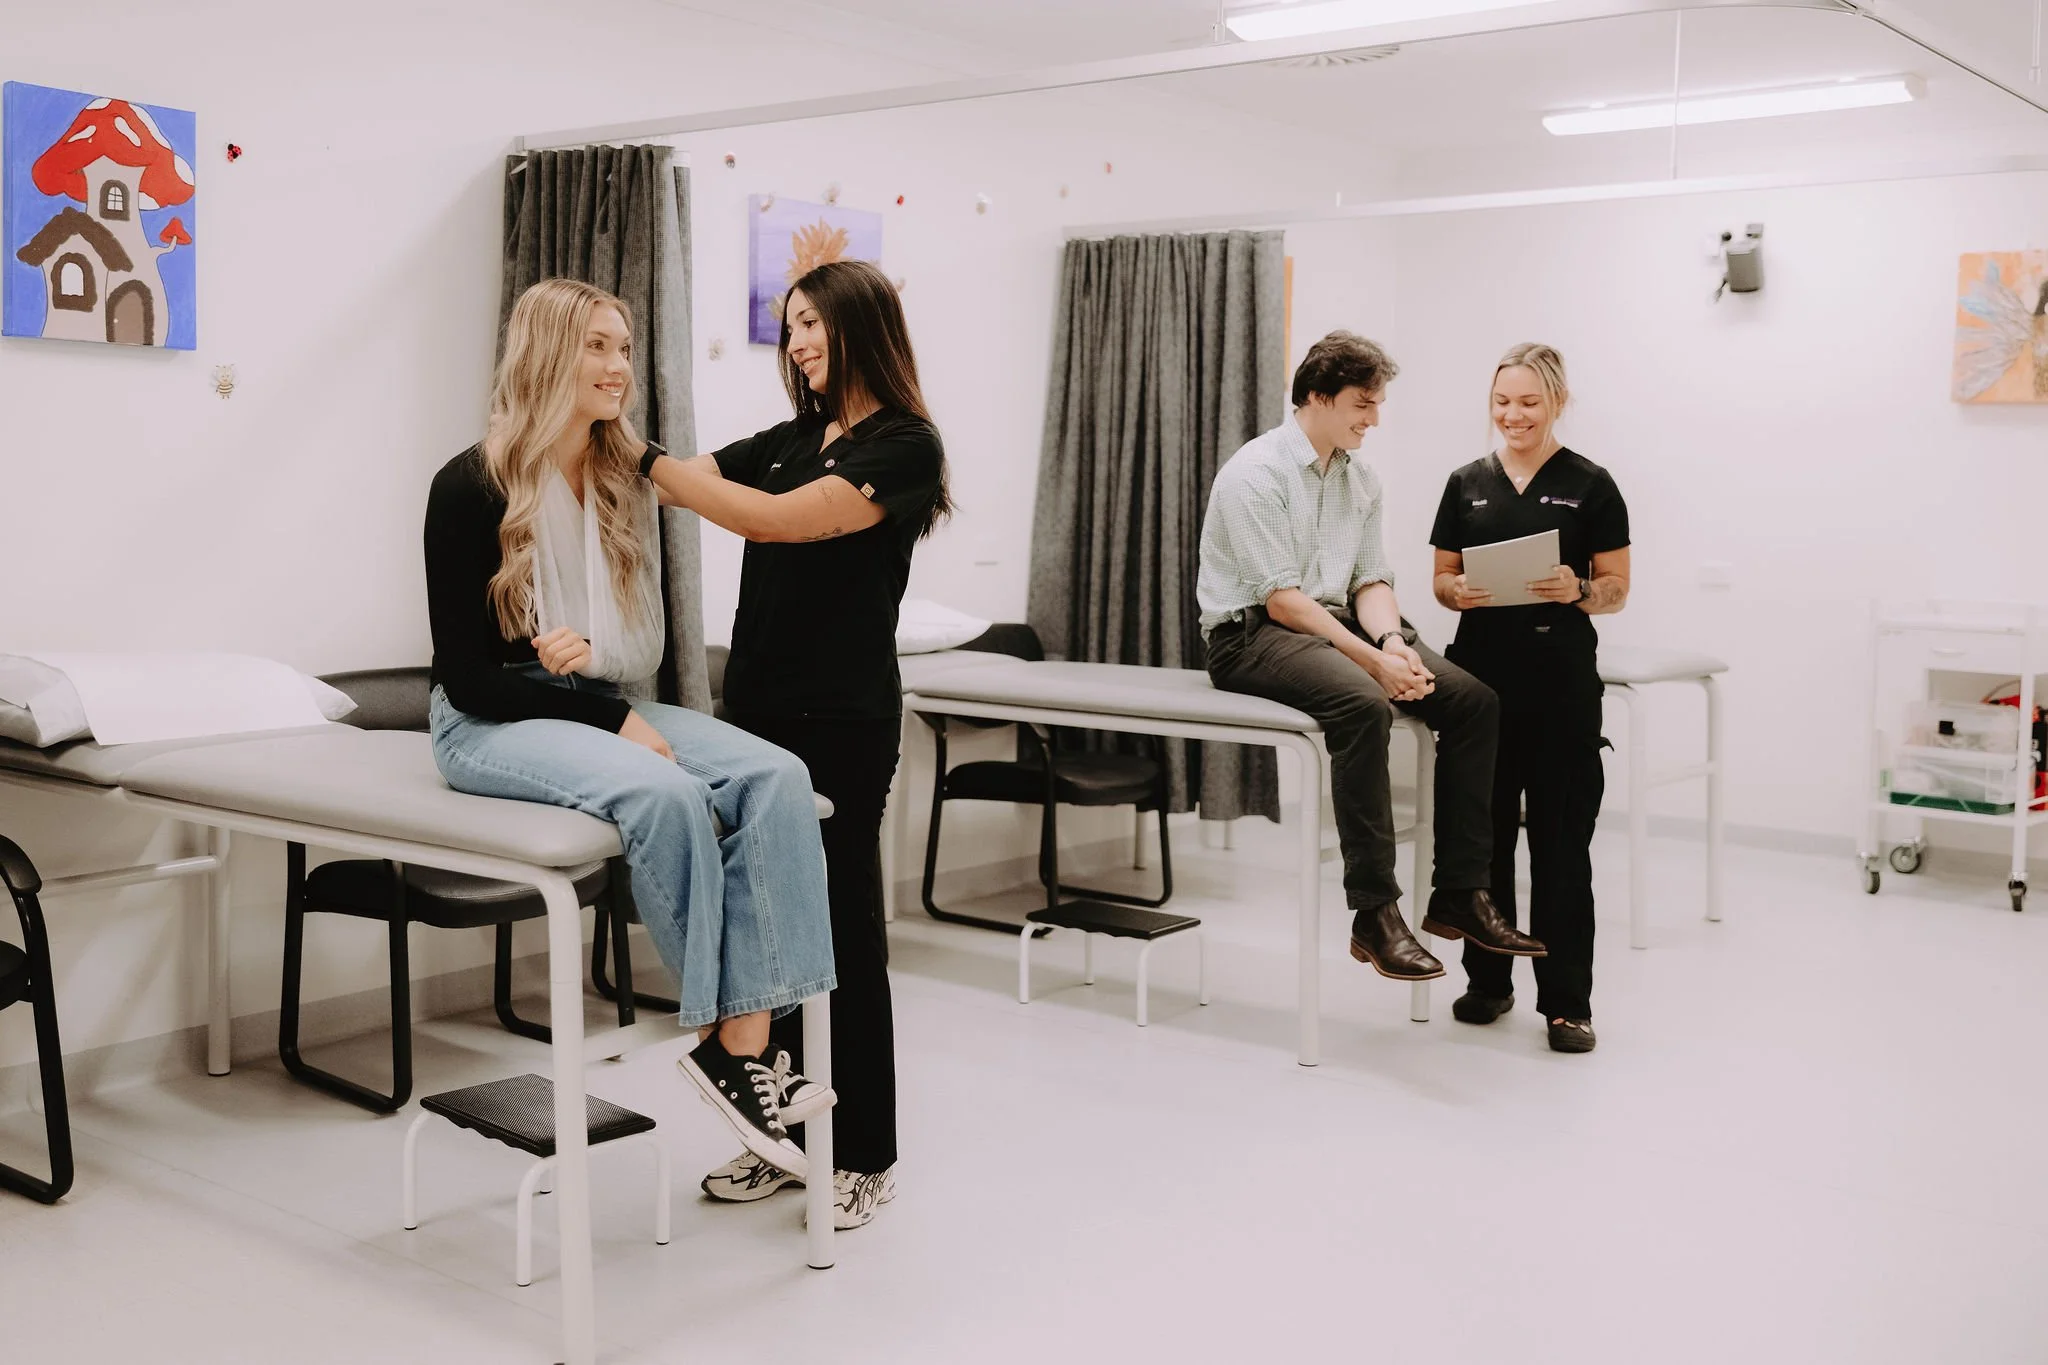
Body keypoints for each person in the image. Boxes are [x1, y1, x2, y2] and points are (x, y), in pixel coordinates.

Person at [424, 278, 837, 1177]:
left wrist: (599, 684)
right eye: (598, 348)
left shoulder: (616, 484)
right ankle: (719, 1034)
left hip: (586, 700)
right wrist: (606, 712)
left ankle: (743, 1039)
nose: (620, 368)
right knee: (666, 790)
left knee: (780, 779)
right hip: (487, 719)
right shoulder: (469, 484)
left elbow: (637, 645)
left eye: (623, 347)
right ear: (547, 354)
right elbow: (472, 678)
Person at [643, 259, 949, 1229]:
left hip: (842, 724)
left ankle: (862, 1152)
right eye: (791, 325)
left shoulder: (904, 446)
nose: (800, 341)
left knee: (840, 937)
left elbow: (769, 524)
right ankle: (779, 1138)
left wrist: (644, 458)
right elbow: (695, 480)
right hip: (760, 718)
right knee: (764, 932)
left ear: (861, 325)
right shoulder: (790, 438)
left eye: (813, 321)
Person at [1200, 331, 1546, 986]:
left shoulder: (1361, 479)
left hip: (1338, 623)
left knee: (1474, 702)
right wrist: (1373, 665)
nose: (1374, 418)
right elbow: (1282, 602)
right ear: (1320, 396)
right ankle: (1374, 913)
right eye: (1364, 403)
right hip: (1252, 633)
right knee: (1363, 705)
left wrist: (1391, 643)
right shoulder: (1256, 473)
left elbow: (1371, 583)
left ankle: (1459, 892)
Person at [1429, 343, 1631, 1053]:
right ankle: (1489, 980)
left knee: (1560, 847)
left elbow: (1617, 588)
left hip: (1561, 691)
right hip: (1480, 687)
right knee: (1482, 843)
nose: (1512, 416)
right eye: (1501, 403)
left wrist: (1578, 589)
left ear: (1557, 403)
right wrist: (1457, 590)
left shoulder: (1591, 485)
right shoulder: (1465, 484)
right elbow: (1442, 578)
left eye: (1528, 403)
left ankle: (1567, 1003)